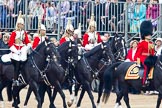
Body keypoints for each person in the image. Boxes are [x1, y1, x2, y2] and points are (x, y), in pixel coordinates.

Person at [2, 12, 32, 86]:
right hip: (15, 50)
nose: (22, 25)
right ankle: (15, 79)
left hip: (22, 49)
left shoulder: (24, 33)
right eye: (21, 24)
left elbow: (27, 41)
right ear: (18, 24)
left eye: (23, 24)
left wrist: (28, 46)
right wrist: (16, 51)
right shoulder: (14, 33)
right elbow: (10, 43)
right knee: (17, 62)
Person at [134, 20, 155, 87]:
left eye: (150, 34)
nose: (150, 36)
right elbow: (138, 53)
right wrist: (138, 60)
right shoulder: (141, 43)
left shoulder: (151, 43)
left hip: (150, 58)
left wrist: (152, 49)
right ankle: (144, 80)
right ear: (145, 35)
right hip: (143, 58)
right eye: (148, 34)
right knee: (146, 67)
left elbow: (152, 53)